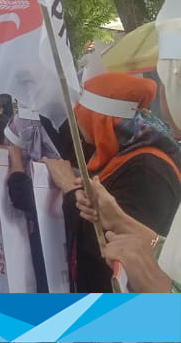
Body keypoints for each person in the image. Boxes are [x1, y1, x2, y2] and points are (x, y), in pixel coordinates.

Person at [43, 72, 181, 292]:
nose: (77, 122)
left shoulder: (148, 169)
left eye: (82, 115)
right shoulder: (122, 152)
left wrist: (71, 189)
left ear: (99, 121)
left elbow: (111, 248)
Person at [3, 112, 61, 292]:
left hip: (51, 250)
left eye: (10, 143)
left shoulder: (50, 170)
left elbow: (23, 197)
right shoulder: (58, 156)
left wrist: (16, 163)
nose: (7, 147)